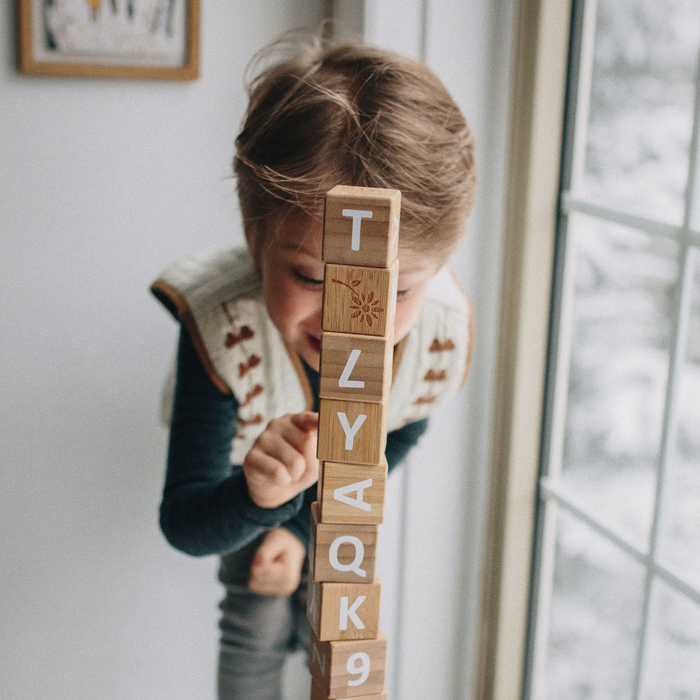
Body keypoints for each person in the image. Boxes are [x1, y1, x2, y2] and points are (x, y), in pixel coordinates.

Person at [151, 33, 477, 700]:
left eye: (400, 289)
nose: (348, 322)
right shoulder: (222, 329)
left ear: (437, 270)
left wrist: (305, 531)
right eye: (307, 275)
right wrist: (260, 500)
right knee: (258, 615)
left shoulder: (435, 331)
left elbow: (405, 424)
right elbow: (184, 522)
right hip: (245, 490)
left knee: (333, 621)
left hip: (333, 510)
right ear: (254, 236)